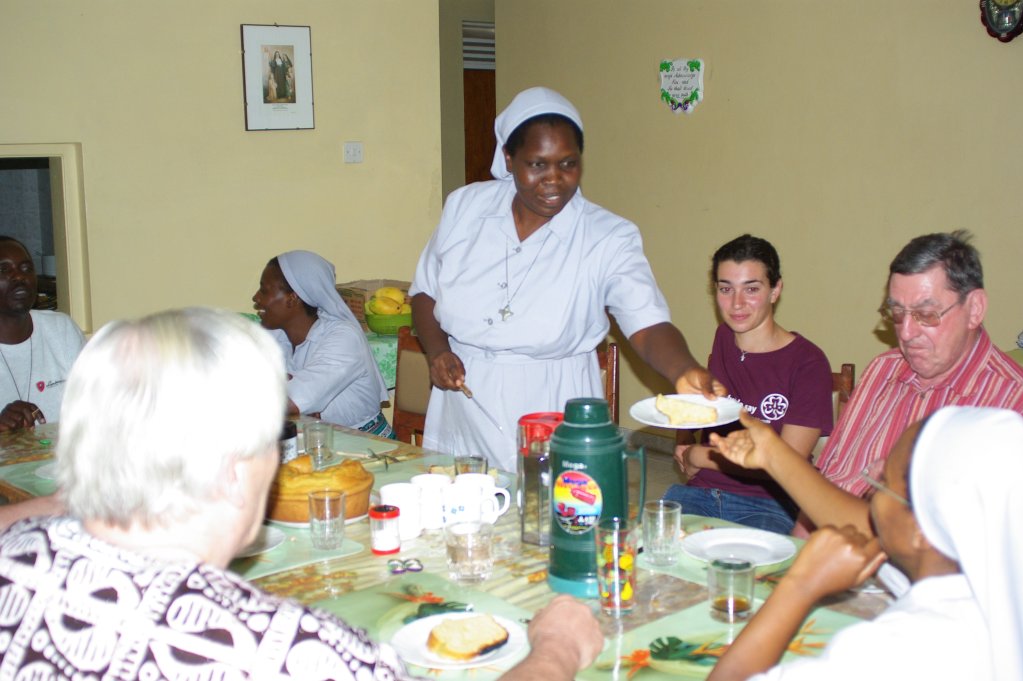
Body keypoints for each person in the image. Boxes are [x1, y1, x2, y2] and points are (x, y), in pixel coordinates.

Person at [0, 307, 604, 680]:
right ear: (237, 467)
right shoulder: (298, 652)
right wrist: (554, 652)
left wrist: (83, 496)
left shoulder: (19, 560)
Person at [410, 86, 724, 471]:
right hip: (463, 404)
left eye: (567, 163)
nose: (554, 179)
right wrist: (438, 351)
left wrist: (683, 369)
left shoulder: (607, 236)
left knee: (556, 518)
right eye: (537, 164)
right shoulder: (465, 208)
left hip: (552, 404)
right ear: (509, 159)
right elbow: (425, 291)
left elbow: (646, 323)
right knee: (462, 519)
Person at [711, 230, 1023, 538]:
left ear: (975, 309)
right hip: (827, 553)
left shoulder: (1011, 403)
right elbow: (829, 484)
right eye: (896, 314)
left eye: (926, 314)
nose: (906, 333)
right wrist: (795, 557)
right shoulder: (883, 370)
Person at [707, 406, 1022, 681]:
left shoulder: (898, 651)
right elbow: (866, 525)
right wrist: (773, 454)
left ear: (921, 530)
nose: (872, 494)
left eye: (884, 483)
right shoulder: (984, 571)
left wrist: (799, 586)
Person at [663, 235, 833, 533]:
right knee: (647, 553)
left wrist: (698, 455)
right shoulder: (724, 337)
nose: (736, 304)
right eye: (725, 289)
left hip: (768, 505)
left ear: (775, 290)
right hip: (699, 493)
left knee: (744, 574)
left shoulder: (808, 362)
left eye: (751, 289)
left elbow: (788, 465)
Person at [252, 250, 393, 436]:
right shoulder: (274, 334)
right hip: (315, 443)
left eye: (264, 290)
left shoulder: (344, 337)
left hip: (369, 448)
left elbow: (288, 402)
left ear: (292, 299)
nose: (256, 298)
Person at [0, 235, 85, 431]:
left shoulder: (61, 330)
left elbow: (98, 404)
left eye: (26, 269)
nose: (19, 277)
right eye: (4, 269)